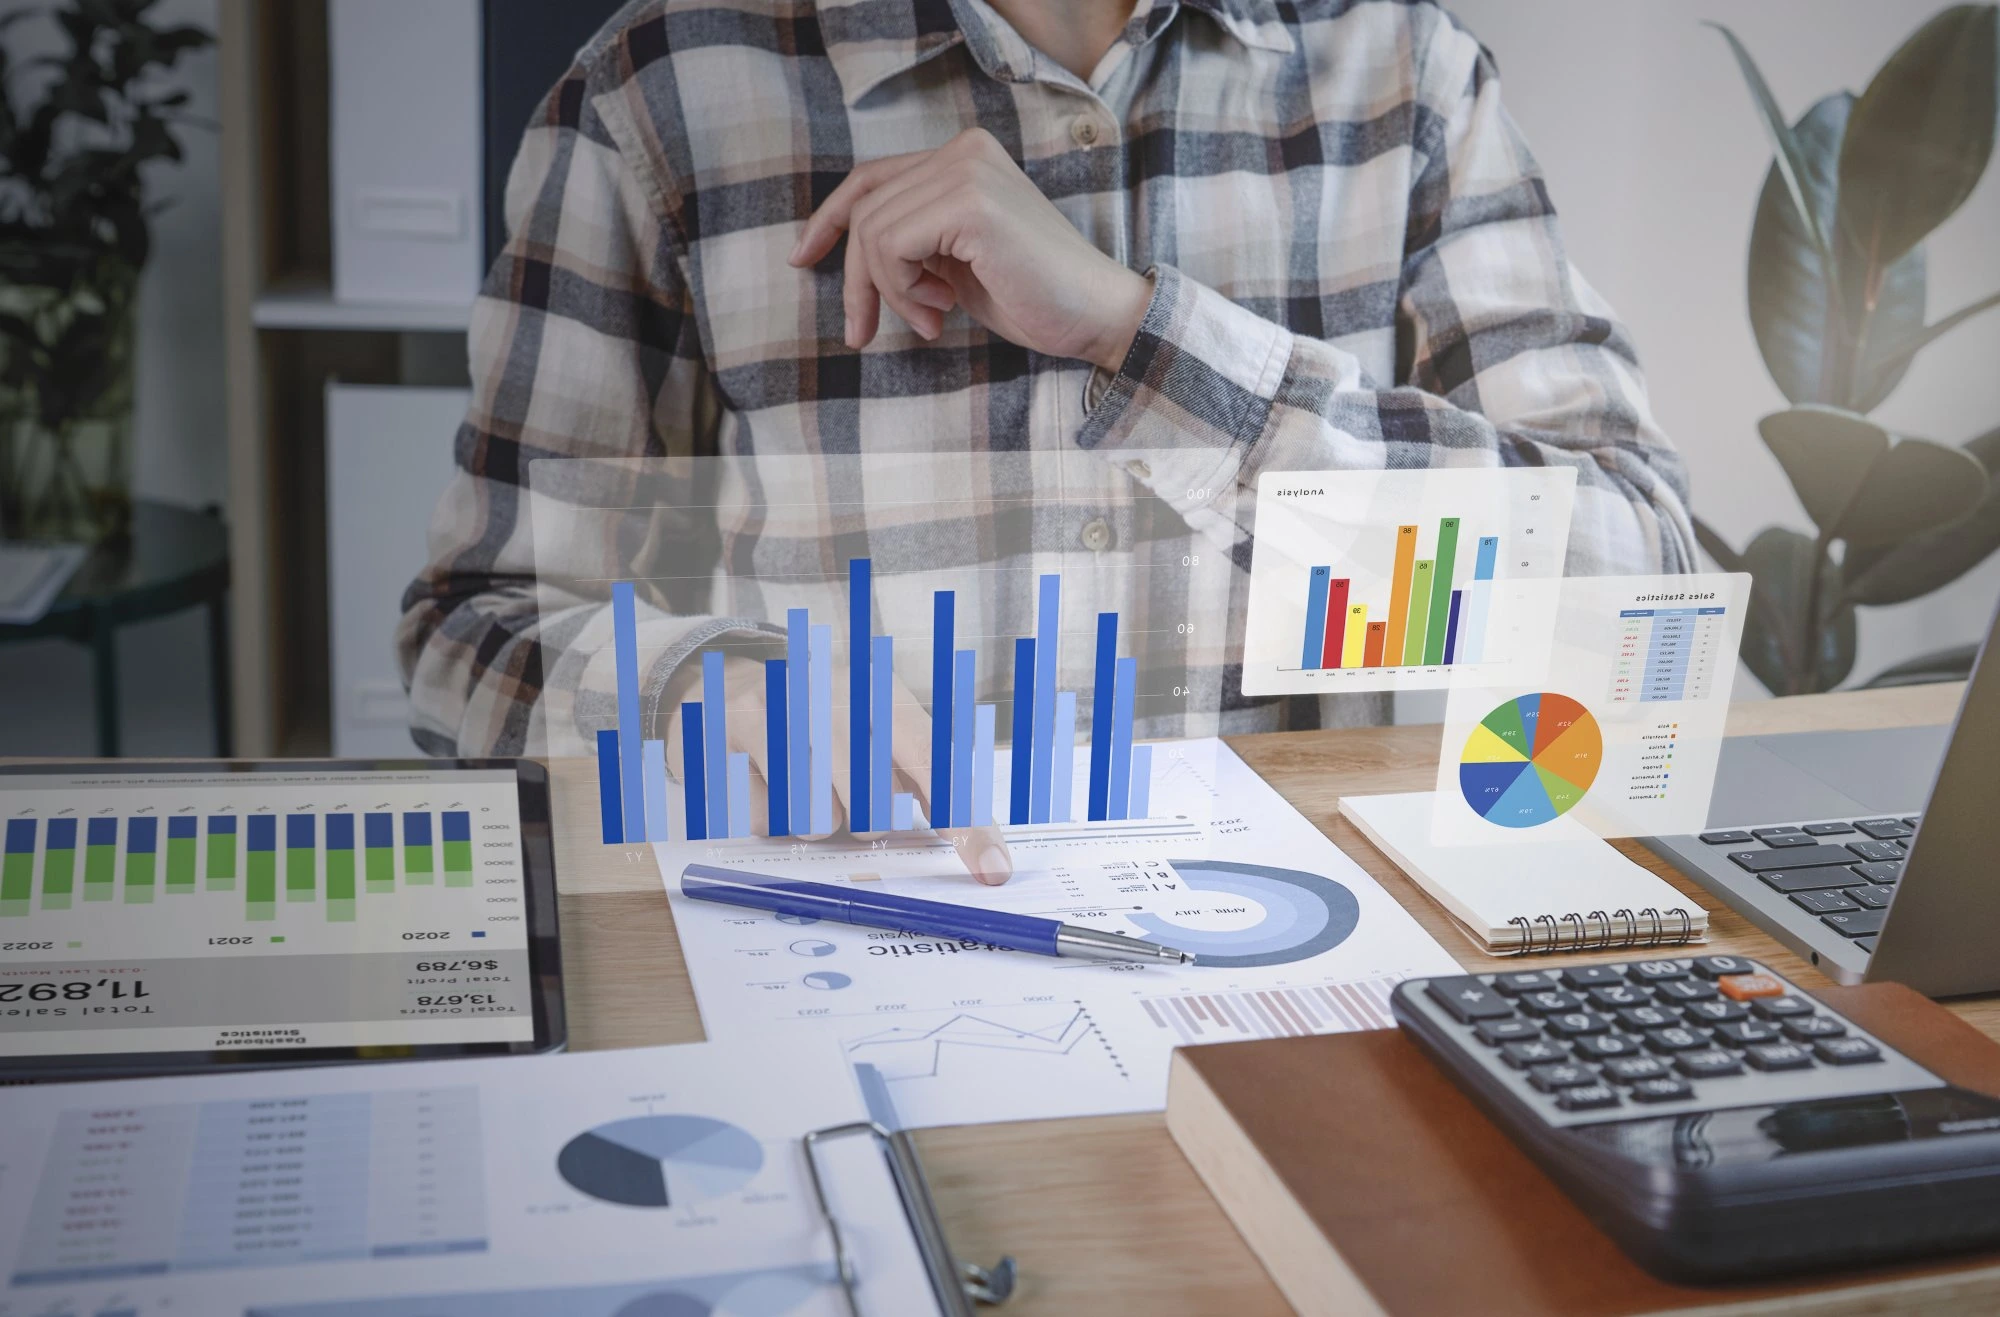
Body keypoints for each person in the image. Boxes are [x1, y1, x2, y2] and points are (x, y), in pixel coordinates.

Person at [398, 0, 1696, 881]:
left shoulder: (1404, 71)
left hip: (1312, 984)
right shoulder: (660, 90)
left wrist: (1138, 336)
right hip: (854, 978)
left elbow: (1639, 587)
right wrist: (707, 694)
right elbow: (474, 637)